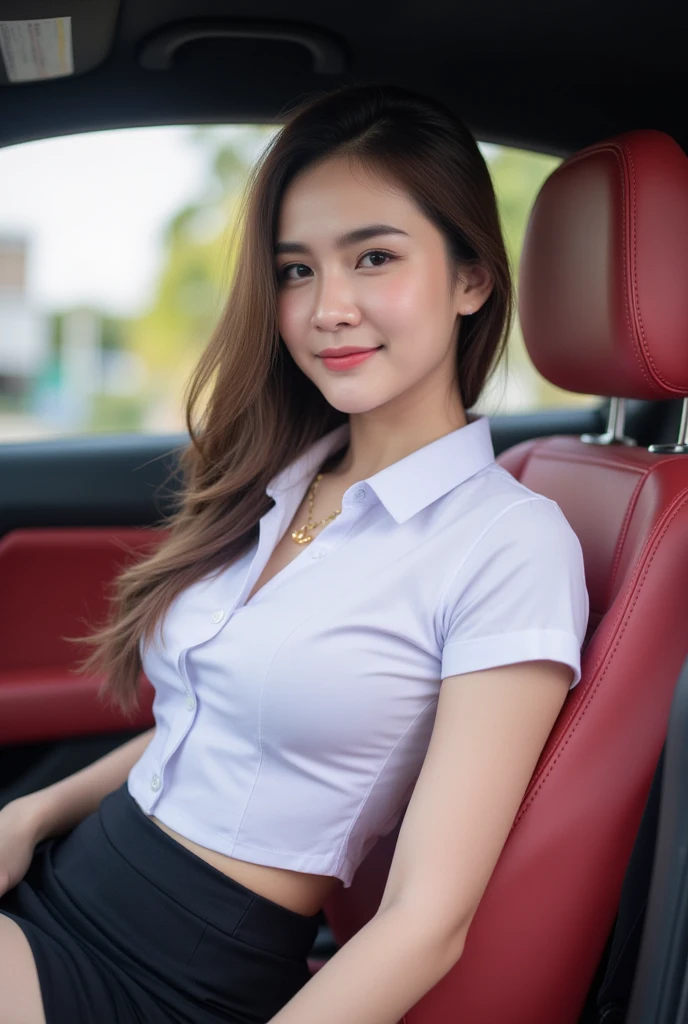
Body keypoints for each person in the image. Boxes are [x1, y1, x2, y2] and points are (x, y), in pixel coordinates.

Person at [0, 82, 589, 1024]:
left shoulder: (508, 546)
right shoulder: (278, 479)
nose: (328, 308)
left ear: (472, 278)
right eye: (296, 270)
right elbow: (219, 720)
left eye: (375, 258)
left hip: (173, 976)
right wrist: (28, 817)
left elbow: (426, 922)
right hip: (68, 878)